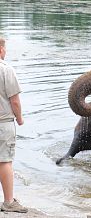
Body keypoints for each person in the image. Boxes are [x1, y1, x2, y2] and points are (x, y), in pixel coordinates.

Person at [0, 37, 27, 213]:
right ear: (0, 50)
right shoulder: (6, 70)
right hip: (2, 123)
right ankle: (9, 202)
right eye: (4, 48)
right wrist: (20, 118)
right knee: (4, 161)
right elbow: (15, 101)